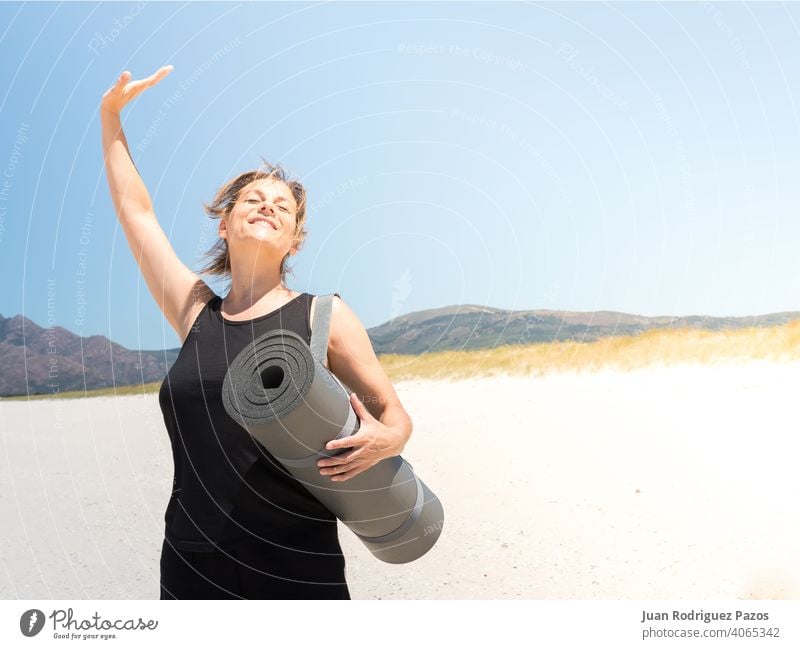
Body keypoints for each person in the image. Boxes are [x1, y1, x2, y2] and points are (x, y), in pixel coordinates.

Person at [100, 66, 414, 599]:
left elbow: (393, 413)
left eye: (282, 206)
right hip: (191, 561)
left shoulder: (324, 315)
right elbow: (137, 214)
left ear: (293, 240)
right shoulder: (196, 310)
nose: (267, 205)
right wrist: (110, 117)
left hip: (296, 563)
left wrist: (389, 439)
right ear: (225, 224)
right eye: (252, 199)